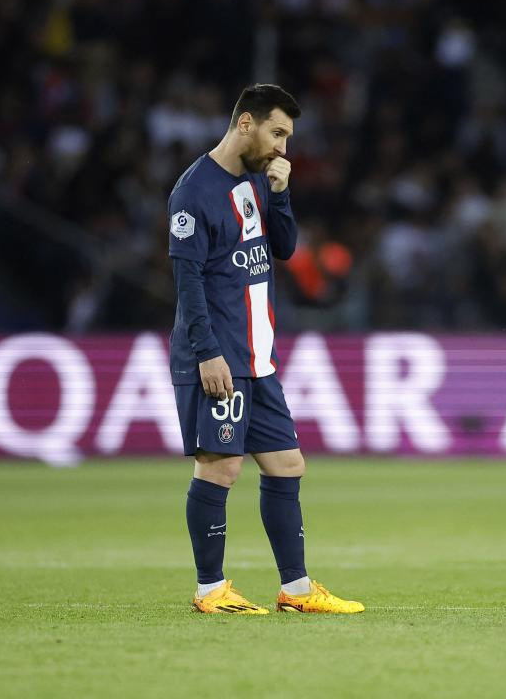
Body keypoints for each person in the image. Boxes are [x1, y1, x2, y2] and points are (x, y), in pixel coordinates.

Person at [168, 84, 364, 615]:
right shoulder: (193, 192)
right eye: (278, 133)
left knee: (287, 463)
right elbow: (187, 285)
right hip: (217, 356)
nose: (284, 147)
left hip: (257, 357)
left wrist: (280, 193)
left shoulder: (260, 179)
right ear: (246, 123)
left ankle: (296, 591)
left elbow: (283, 248)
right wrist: (207, 352)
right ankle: (211, 589)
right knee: (219, 468)